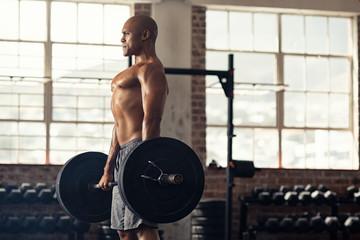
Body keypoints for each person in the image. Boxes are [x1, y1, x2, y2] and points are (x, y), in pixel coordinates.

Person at [98, 15, 168, 240]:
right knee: (123, 229)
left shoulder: (151, 70)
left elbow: (152, 119)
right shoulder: (136, 69)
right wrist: (109, 167)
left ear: (145, 35)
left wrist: (145, 162)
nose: (122, 39)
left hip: (139, 150)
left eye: (126, 33)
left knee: (142, 226)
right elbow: (118, 124)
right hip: (124, 153)